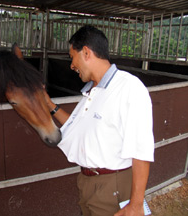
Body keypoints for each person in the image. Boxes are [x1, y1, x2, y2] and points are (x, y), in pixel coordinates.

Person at [44, 25, 154, 216]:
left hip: (113, 185)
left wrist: (136, 205)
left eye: (72, 57)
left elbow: (141, 148)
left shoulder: (128, 87)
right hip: (87, 181)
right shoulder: (92, 91)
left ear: (86, 52)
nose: (71, 65)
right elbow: (75, 125)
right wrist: (48, 104)